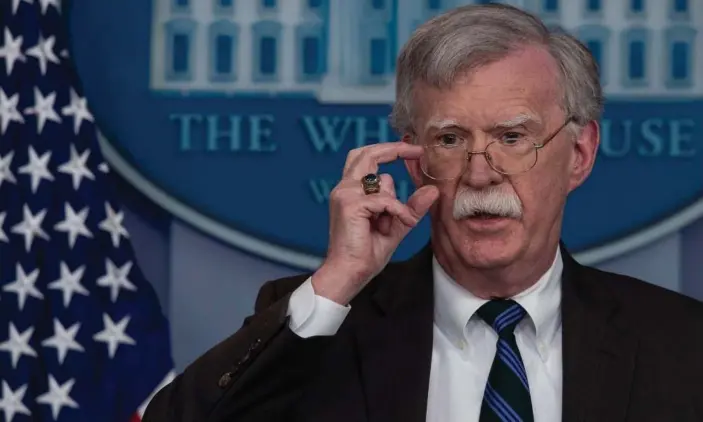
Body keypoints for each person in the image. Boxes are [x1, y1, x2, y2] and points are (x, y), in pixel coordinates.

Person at [143, 4, 703, 422]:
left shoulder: (680, 342)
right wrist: (338, 281)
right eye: (451, 139)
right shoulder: (325, 328)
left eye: (512, 137)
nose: (480, 174)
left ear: (578, 155)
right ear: (414, 161)